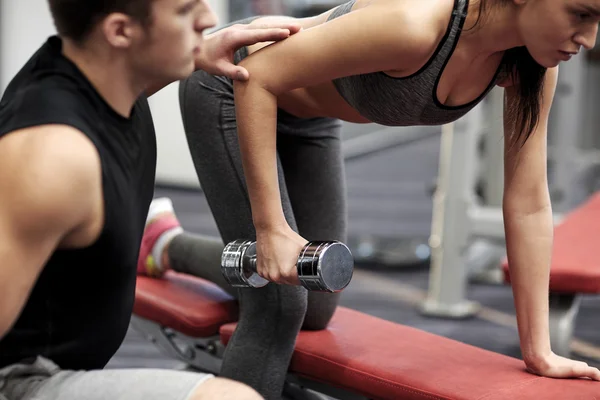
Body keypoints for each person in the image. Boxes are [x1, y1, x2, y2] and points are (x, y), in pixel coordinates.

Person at [138, 0, 600, 398]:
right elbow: (257, 77)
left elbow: (528, 202)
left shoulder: (530, 67)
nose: (590, 38)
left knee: (315, 303)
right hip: (232, 88)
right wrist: (271, 230)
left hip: (308, 122)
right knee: (279, 305)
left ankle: (164, 243)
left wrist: (538, 349)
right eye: (581, 14)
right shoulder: (414, 25)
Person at [0, 0, 303, 399]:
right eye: (185, 12)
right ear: (121, 32)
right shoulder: (54, 158)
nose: (209, 20)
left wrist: (198, 51)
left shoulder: (103, 82)